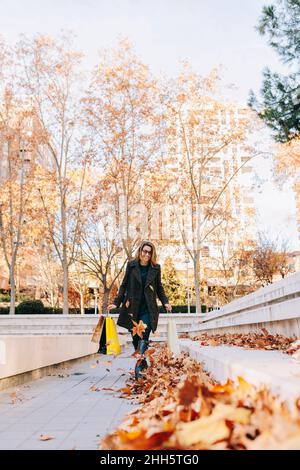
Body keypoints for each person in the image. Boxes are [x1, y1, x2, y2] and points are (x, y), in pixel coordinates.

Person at [108, 240, 172, 379]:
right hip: (132, 308)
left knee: (144, 333)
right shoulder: (131, 266)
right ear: (140, 251)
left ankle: (138, 366)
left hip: (148, 308)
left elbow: (159, 288)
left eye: (149, 252)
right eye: (145, 251)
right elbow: (124, 286)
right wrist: (116, 303)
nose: (147, 254)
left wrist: (165, 302)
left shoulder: (156, 268)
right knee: (136, 338)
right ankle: (143, 362)